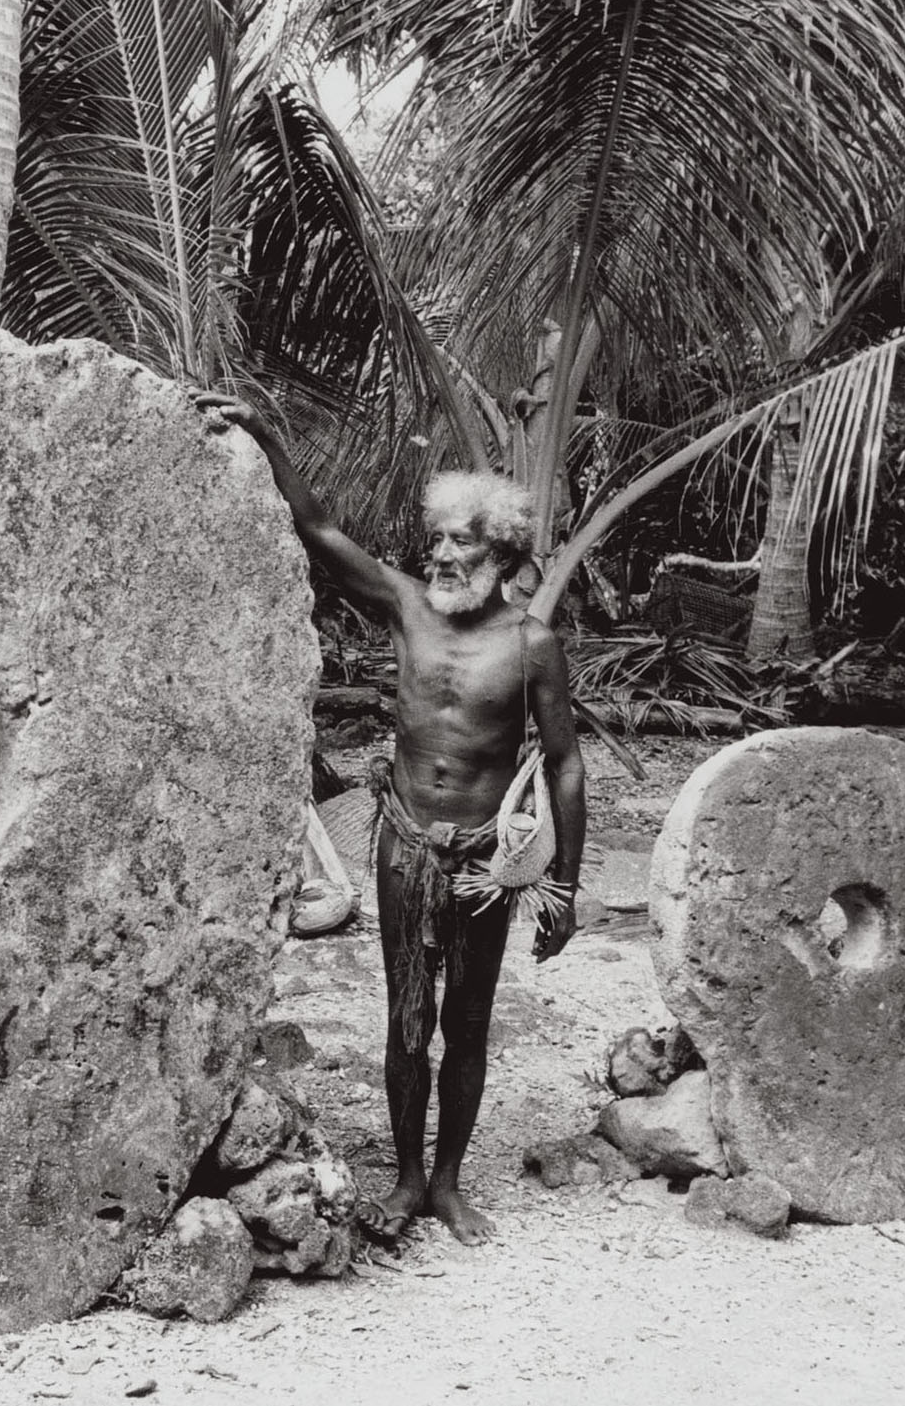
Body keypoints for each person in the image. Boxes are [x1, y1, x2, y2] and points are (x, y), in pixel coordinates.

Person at [197, 395, 586, 1245]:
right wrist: (265, 429)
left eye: (462, 543)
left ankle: (448, 1184)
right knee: (405, 1017)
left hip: (485, 858)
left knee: (468, 1020)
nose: (441, 556)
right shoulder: (408, 605)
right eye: (438, 540)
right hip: (404, 842)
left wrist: (562, 888)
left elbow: (563, 762)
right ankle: (408, 1178)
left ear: (504, 554)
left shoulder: (530, 645)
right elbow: (321, 531)